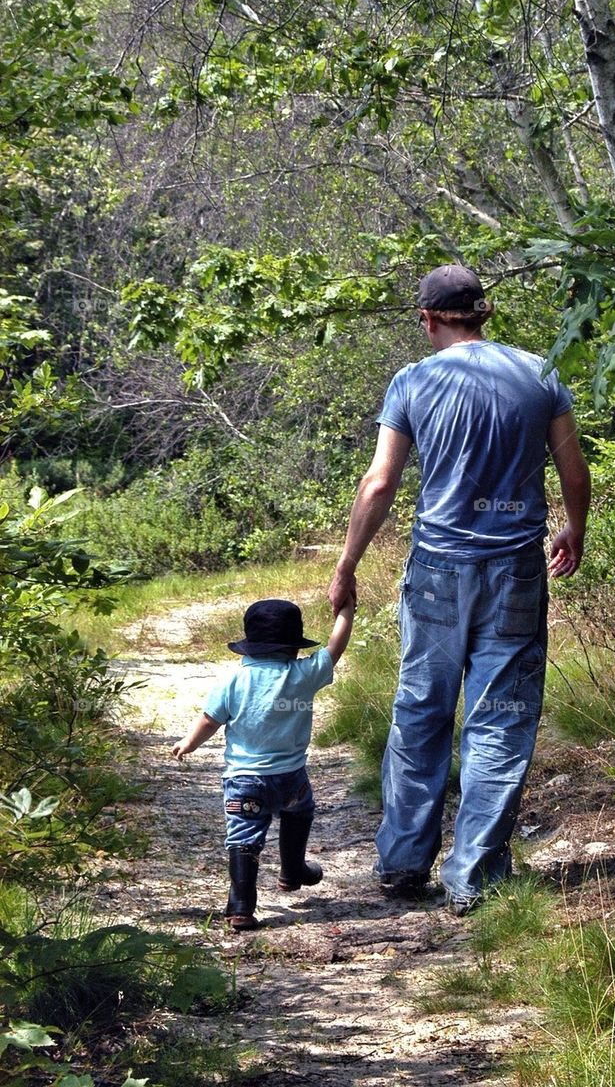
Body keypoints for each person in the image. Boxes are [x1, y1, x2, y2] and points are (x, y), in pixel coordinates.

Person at [328, 264, 591, 914]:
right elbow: (574, 469)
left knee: (421, 709)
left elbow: (380, 484)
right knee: (500, 716)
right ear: (483, 314)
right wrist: (573, 528)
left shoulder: (413, 381)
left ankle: (402, 863)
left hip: (439, 570)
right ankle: (473, 875)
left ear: (428, 320)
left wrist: (347, 564)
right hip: (515, 570)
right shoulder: (538, 374)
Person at [171, 596, 354, 931]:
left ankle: (240, 907)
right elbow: (334, 648)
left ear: (249, 647)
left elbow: (209, 721)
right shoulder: (302, 675)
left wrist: (189, 743)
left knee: (244, 836)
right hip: (290, 779)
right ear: (293, 647)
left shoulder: (232, 682)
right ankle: (293, 869)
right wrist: (346, 610)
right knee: (299, 812)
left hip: (244, 782)